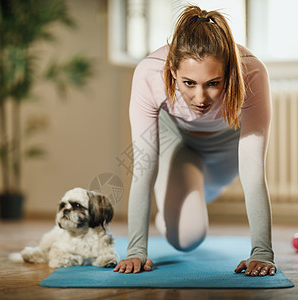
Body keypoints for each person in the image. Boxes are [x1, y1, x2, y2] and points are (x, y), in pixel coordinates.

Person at [113, 5, 276, 277]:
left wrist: (262, 252)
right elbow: (143, 170)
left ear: (229, 73)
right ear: (173, 71)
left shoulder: (251, 73)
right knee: (187, 238)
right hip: (178, 142)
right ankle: (172, 204)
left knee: (210, 190)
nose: (200, 98)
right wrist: (136, 250)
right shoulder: (149, 74)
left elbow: (254, 173)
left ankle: (193, 192)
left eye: (213, 83)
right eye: (189, 83)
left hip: (225, 151)